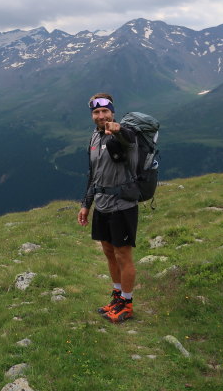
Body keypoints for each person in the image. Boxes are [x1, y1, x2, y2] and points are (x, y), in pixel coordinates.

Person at [77, 93, 138, 323]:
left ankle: (127, 304)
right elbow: (93, 175)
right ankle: (117, 296)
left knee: (123, 255)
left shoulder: (122, 134)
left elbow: (130, 140)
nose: (101, 116)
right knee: (108, 252)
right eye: (96, 112)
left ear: (112, 111)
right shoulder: (94, 137)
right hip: (102, 204)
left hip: (122, 205)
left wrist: (119, 130)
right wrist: (86, 204)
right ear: (92, 115)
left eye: (105, 111)